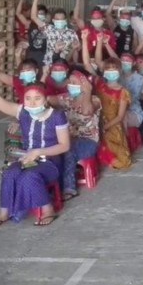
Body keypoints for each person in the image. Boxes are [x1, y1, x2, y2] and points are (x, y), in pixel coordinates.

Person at [0, 58, 70, 228]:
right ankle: (4, 213)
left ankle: (48, 209)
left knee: (30, 175)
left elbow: (64, 146)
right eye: (28, 98)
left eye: (37, 98)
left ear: (45, 99)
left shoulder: (57, 115)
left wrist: (38, 152)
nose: (32, 102)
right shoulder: (23, 112)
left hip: (51, 163)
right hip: (28, 159)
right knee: (8, 173)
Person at [81, 30, 132, 169]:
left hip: (112, 125)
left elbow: (120, 116)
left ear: (120, 72)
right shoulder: (99, 83)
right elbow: (87, 63)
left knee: (122, 161)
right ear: (104, 72)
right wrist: (84, 40)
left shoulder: (123, 92)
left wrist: (105, 127)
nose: (110, 72)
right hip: (94, 120)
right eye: (107, 69)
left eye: (114, 69)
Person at [49, 71, 101, 200]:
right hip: (68, 138)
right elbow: (49, 99)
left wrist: (87, 92)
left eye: (74, 83)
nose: (71, 85)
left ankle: (69, 188)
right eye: (70, 82)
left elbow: (86, 112)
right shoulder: (66, 99)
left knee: (68, 149)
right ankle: (53, 185)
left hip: (88, 141)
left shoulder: (94, 99)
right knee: (52, 147)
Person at [30, 0, 78, 66]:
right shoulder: (48, 29)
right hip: (48, 64)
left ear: (65, 20)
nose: (60, 21)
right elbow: (34, 17)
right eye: (57, 19)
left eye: (62, 19)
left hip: (63, 65)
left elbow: (72, 53)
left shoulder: (71, 33)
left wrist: (73, 49)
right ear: (53, 20)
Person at [15, 0, 47, 67]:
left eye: (42, 14)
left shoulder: (48, 26)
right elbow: (18, 13)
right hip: (32, 49)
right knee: (21, 49)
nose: (40, 15)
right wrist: (21, 0)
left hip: (45, 50)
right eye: (38, 13)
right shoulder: (29, 24)